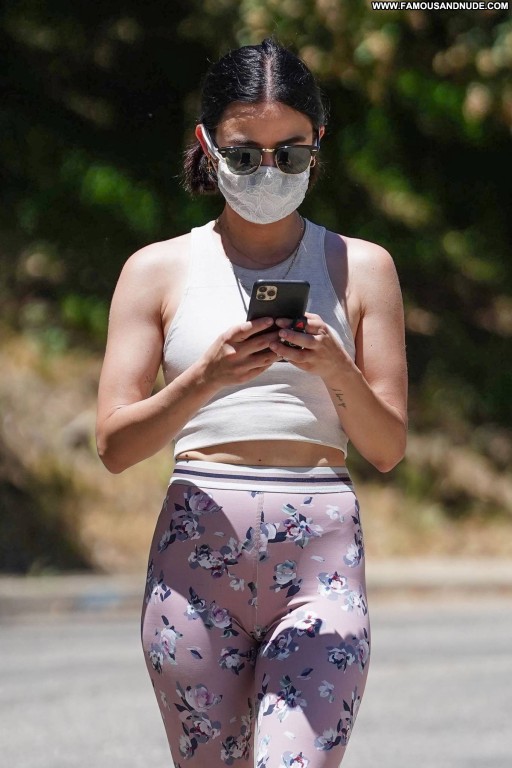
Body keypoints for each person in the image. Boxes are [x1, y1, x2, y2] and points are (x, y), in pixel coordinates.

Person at [96, 38, 407, 768]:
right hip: (195, 558)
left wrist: (334, 366)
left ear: (317, 145)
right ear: (206, 146)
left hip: (321, 558)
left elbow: (388, 447)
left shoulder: (362, 268)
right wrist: (205, 379)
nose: (268, 171)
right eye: (244, 154)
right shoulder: (156, 271)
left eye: (289, 154)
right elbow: (113, 445)